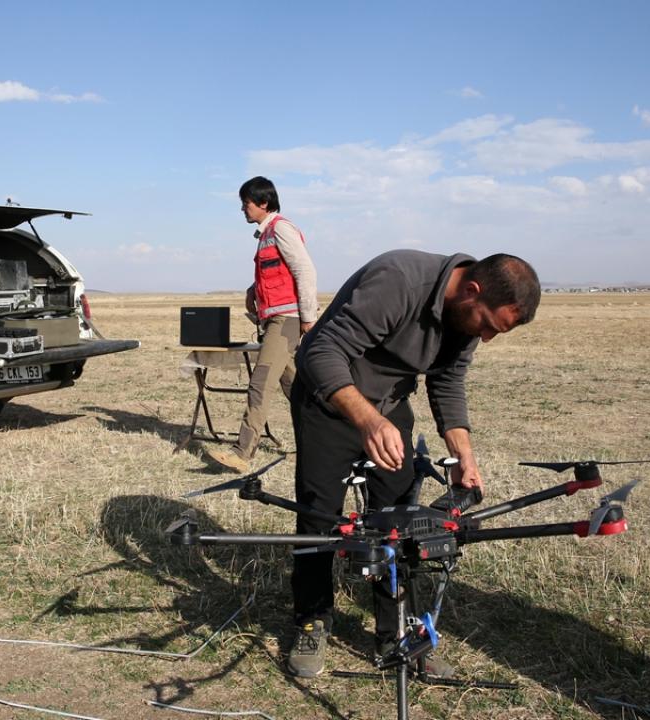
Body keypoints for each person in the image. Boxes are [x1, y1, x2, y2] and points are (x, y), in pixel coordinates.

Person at [284, 249, 540, 678]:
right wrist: (368, 421)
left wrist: (463, 455)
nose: (486, 338)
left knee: (401, 523)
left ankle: (397, 632)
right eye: (488, 326)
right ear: (472, 290)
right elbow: (321, 353)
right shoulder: (399, 281)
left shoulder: (465, 313)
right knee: (319, 516)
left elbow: (448, 379)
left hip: (388, 407)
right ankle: (312, 621)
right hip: (327, 401)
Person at [208, 177, 319, 473]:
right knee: (296, 388)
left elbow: (304, 270)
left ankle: (242, 452)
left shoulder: (281, 228)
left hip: (286, 321)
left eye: (246, 203)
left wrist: (309, 318)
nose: (242, 209)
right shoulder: (266, 234)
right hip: (275, 320)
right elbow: (277, 273)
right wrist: (252, 291)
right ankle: (325, 441)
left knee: (261, 382)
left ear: (263, 203)